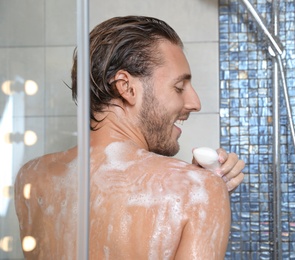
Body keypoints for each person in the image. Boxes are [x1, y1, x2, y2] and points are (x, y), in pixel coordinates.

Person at [14, 16, 245, 259]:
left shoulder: (32, 178)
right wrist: (204, 194)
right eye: (179, 87)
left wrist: (199, 189)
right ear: (126, 87)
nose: (195, 103)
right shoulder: (197, 192)